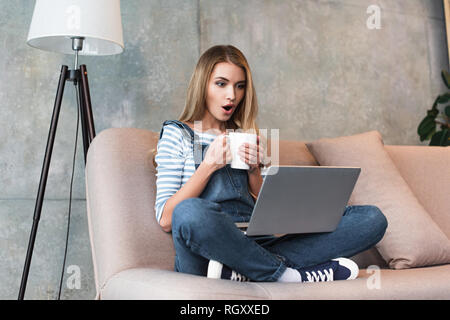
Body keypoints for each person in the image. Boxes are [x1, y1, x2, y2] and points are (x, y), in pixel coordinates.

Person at [152, 45, 387, 283]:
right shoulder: (177, 134)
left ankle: (244, 271)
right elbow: (167, 218)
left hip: (259, 242)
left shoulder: (249, 136)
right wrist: (208, 166)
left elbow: (265, 217)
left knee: (372, 219)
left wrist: (255, 171)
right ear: (203, 85)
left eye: (240, 86)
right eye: (221, 84)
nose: (232, 95)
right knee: (190, 212)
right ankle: (287, 275)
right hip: (206, 252)